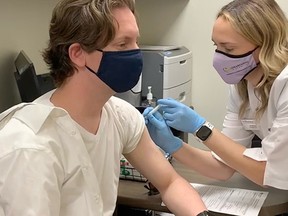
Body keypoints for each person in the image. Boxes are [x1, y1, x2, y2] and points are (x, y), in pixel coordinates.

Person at [0, 0, 211, 215]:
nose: (136, 54)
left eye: (135, 42)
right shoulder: (29, 147)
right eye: (123, 44)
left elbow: (170, 183)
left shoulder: (119, 115)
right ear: (77, 54)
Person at [144, 0, 288, 191]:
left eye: (228, 49)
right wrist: (172, 144)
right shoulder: (242, 85)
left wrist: (201, 128)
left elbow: (269, 172)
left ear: (265, 45)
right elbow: (223, 167)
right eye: (217, 47)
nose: (219, 58)